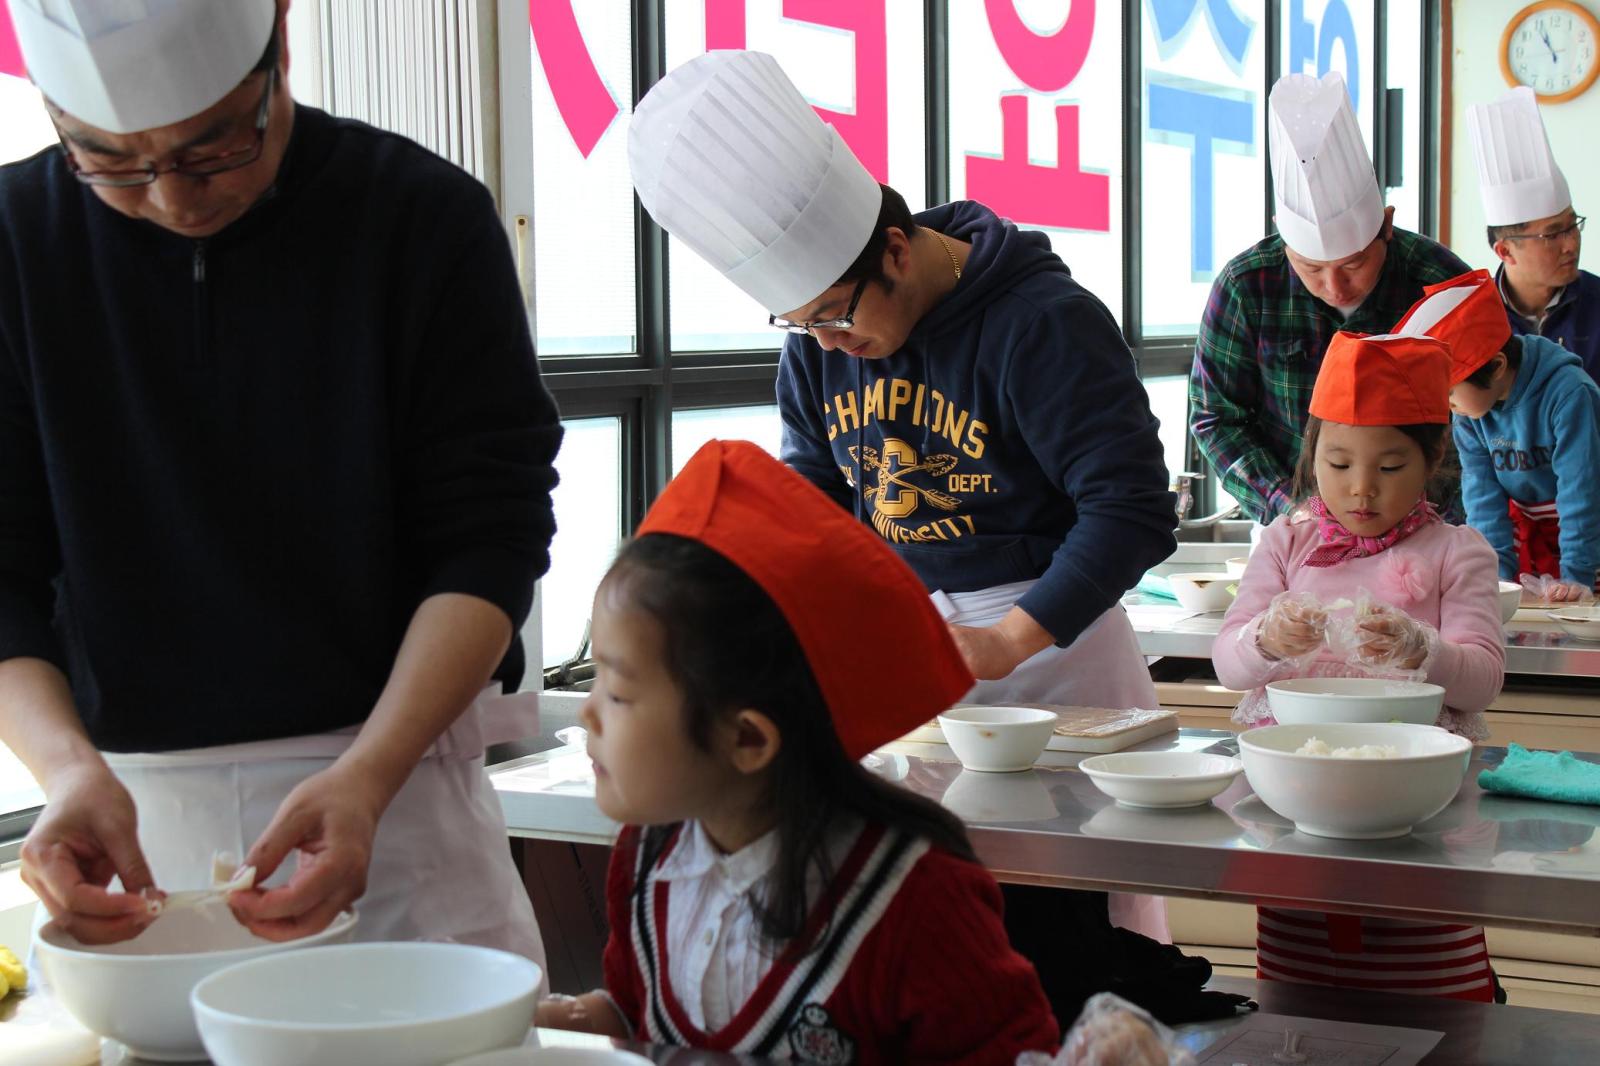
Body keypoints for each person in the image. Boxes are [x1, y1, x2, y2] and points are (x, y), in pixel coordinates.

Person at [0, 0, 559, 961]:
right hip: (131, 820)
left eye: (214, 149)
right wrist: (63, 772)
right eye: (113, 162)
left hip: (397, 799)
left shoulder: (421, 216)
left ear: (280, 47)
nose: (173, 198)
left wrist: (371, 775)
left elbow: (490, 537)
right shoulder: (14, 238)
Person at [628, 48, 1178, 948]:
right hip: (910, 654)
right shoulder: (816, 344)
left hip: (1053, 649)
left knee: (1072, 931)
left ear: (895, 248)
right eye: (802, 324)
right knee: (926, 920)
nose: (826, 343)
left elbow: (1129, 509)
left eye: (837, 315)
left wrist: (1006, 639)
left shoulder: (1040, 322)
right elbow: (813, 491)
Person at [535, 440, 1060, 1063]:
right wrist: (566, 1020)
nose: (589, 712)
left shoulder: (913, 900)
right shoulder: (650, 855)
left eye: (619, 692)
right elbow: (642, 1020)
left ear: (749, 739)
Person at [1214, 332, 1505, 1002]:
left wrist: (1421, 650)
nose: (1361, 489)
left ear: (1433, 457)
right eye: (1338, 463)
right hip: (1296, 805)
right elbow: (1230, 666)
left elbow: (1485, 676)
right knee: (1302, 1000)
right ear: (1313, 454)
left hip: (1420, 811)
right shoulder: (1287, 542)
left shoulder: (1457, 552)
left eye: (1390, 466)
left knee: (1430, 988)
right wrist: (1267, 636)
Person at [1190, 72, 1469, 524]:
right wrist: (1288, 506)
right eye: (1312, 269)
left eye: (1355, 265)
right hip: (1295, 525)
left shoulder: (1438, 280)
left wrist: (1431, 521)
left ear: (1387, 228)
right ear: (1285, 245)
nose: (1335, 287)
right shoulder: (1247, 287)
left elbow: (1481, 419)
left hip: (1429, 524)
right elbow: (1216, 417)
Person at [1394, 270, 1600, 598]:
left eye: (1449, 393)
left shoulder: (1569, 393)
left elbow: (1582, 491)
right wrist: (1492, 578)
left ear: (1498, 366)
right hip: (1532, 527)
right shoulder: (1472, 413)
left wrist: (1578, 575)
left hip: (1588, 529)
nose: (1447, 406)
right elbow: (1483, 499)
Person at [1467, 87, 1597, 385]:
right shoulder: (1472, 319)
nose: (1572, 243)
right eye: (1552, 235)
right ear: (1505, 252)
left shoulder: (1596, 303)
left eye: (1572, 224)